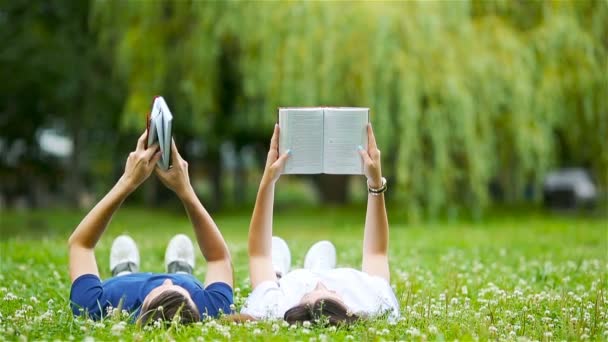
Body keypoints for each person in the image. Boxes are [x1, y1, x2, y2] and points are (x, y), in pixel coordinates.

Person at [241, 123, 399, 324]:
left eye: (311, 292)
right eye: (330, 293)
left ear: (295, 308)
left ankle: (279, 273)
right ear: (349, 311)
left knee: (273, 252)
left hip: (292, 284)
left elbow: (259, 254)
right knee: (325, 252)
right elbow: (376, 253)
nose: (320, 284)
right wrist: (375, 183)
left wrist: (268, 181)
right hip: (342, 280)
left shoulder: (272, 307)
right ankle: (320, 265)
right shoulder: (376, 303)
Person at [68, 132, 233, 325]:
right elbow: (218, 258)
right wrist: (185, 191)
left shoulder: (94, 307)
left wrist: (127, 181)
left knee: (123, 283)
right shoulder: (211, 308)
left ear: (141, 310)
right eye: (179, 290)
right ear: (194, 309)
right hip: (178, 293)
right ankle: (182, 271)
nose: (167, 281)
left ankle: (125, 271)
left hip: (123, 290)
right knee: (185, 280)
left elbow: (80, 245)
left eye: (162, 288)